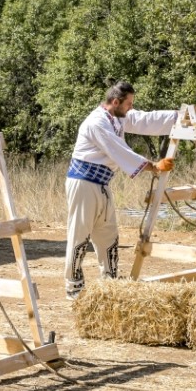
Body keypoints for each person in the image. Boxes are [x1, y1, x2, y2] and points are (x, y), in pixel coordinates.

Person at [64, 80, 183, 300]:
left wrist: (181, 116)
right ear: (116, 102)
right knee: (79, 235)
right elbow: (118, 150)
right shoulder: (96, 123)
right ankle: (74, 288)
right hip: (83, 183)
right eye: (128, 104)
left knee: (108, 236)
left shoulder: (117, 117)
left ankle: (110, 286)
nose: (130, 108)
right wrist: (153, 166)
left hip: (101, 183)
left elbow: (145, 120)